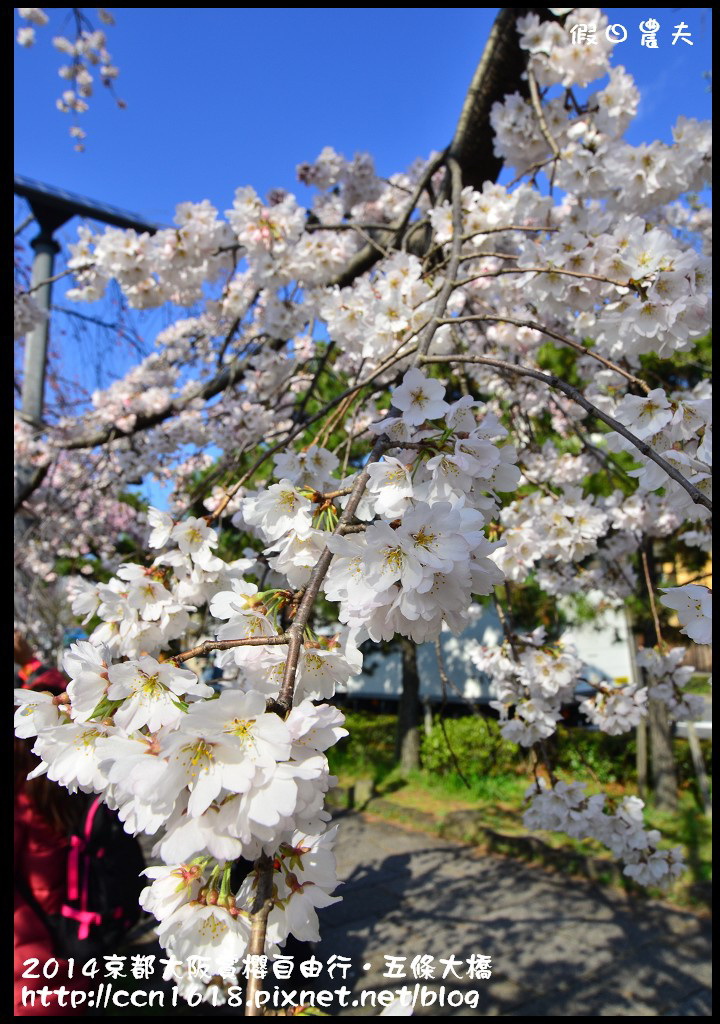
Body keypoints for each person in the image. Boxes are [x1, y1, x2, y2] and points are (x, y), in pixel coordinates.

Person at [14, 631, 88, 1016]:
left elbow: (61, 700)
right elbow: (62, 697)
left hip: (42, 909)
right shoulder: (54, 751)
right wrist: (30, 661)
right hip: (66, 893)